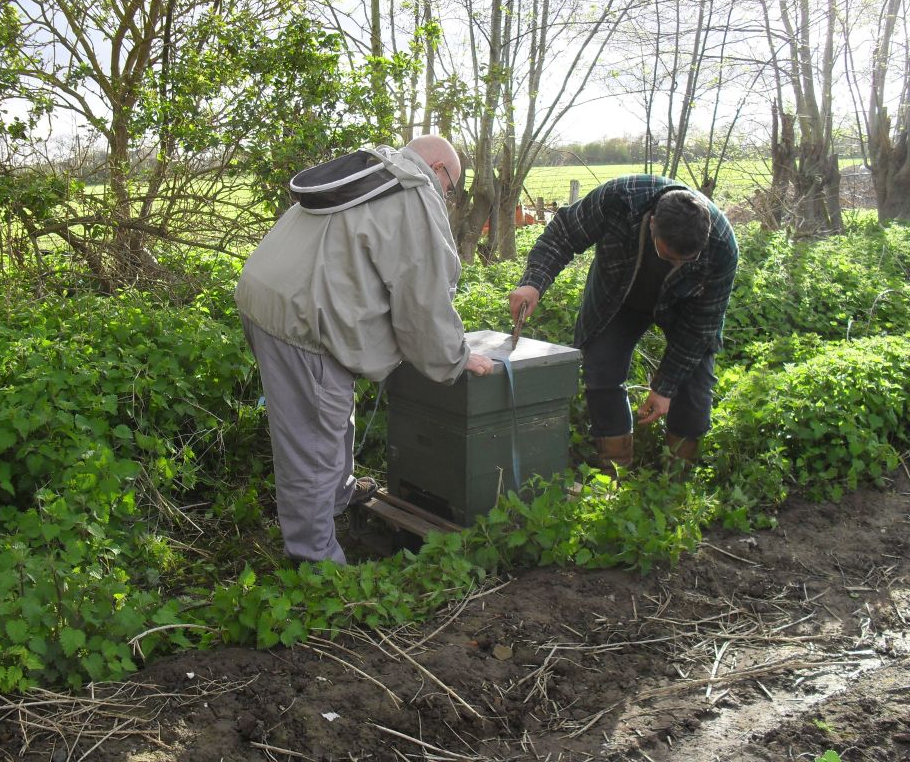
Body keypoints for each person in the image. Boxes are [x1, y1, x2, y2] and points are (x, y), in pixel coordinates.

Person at [235, 135, 494, 564]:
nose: (447, 196)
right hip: (304, 322)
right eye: (451, 187)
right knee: (311, 444)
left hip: (266, 297)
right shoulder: (413, 192)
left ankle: (339, 491)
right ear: (440, 170)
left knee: (329, 408)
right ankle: (316, 562)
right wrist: (456, 357)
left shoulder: (372, 171)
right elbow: (422, 302)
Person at [508, 175, 738, 473]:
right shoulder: (620, 198)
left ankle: (676, 479)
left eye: (686, 261)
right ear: (652, 222)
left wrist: (665, 387)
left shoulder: (722, 246)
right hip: (618, 296)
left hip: (687, 310)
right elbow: (564, 232)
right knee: (601, 372)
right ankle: (615, 473)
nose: (677, 265)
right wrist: (533, 283)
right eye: (668, 256)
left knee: (693, 389)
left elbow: (700, 329)